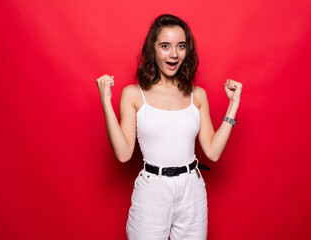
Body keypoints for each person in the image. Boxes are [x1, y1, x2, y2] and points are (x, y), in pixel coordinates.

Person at [96, 14, 242, 240]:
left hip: (192, 189)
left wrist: (233, 106)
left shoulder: (197, 95)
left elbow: (213, 151)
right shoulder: (134, 94)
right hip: (152, 192)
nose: (174, 54)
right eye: (165, 46)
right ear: (152, 50)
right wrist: (105, 101)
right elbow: (124, 154)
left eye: (180, 46)